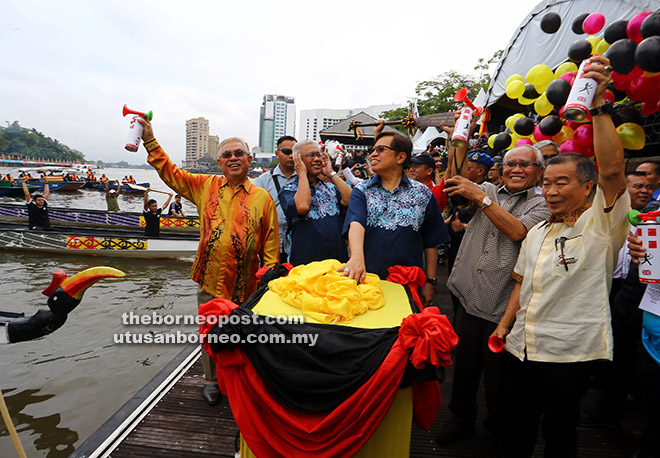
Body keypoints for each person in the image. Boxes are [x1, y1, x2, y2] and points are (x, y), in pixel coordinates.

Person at [492, 55, 629, 457]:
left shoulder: (600, 227)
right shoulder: (537, 231)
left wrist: (599, 105)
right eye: (546, 183)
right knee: (513, 430)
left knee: (559, 435)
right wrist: (504, 325)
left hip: (568, 354)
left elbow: (614, 171)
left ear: (588, 188)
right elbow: (523, 281)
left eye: (562, 182)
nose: (550, 191)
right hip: (521, 347)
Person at [138, 117, 279, 406]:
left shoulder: (262, 198)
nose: (233, 158)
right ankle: (210, 380)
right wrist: (150, 140)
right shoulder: (204, 186)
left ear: (249, 160)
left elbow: (271, 244)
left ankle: (242, 382)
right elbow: (170, 172)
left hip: (248, 282)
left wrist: (268, 281)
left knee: (245, 334)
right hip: (210, 278)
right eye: (227, 155)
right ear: (219, 162)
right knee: (210, 331)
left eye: (239, 153)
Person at [436, 145, 550, 449]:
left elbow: (516, 231)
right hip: (466, 295)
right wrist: (458, 140)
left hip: (503, 306)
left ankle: (495, 431)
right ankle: (461, 418)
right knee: (464, 369)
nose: (516, 169)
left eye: (525, 165)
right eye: (510, 163)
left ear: (539, 172)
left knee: (499, 380)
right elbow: (454, 181)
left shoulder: (543, 204)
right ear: (500, 168)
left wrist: (482, 199)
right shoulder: (486, 188)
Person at [339, 130, 449, 307]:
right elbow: (356, 223)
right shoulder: (362, 191)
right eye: (373, 150)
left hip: (409, 283)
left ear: (400, 157)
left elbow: (431, 241)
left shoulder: (422, 194)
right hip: (368, 281)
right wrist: (357, 257)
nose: (373, 154)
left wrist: (430, 281)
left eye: (381, 149)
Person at [279, 140, 352, 266]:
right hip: (306, 264)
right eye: (311, 155)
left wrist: (331, 173)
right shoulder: (288, 190)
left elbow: (351, 200)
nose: (317, 159)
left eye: (319, 155)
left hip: (337, 262)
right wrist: (301, 173)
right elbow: (302, 207)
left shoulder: (330, 187)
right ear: (298, 159)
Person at [253, 135, 297, 261]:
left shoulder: (304, 179)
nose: (291, 156)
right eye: (286, 152)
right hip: (271, 242)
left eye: (294, 152)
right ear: (277, 154)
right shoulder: (263, 180)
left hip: (297, 241)